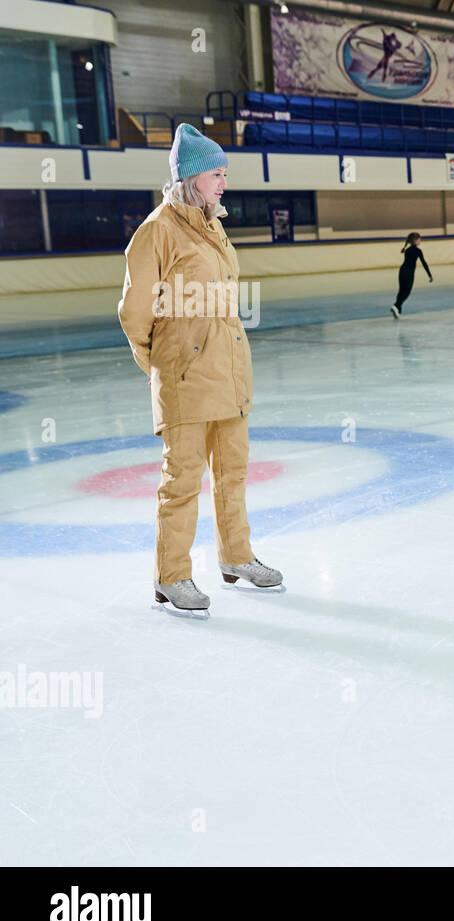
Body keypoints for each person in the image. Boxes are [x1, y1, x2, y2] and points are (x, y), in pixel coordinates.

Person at [118, 123, 282, 613]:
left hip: (228, 371)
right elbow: (134, 311)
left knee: (232, 472)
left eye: (224, 173)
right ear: (191, 178)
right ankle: (173, 576)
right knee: (183, 478)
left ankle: (237, 557)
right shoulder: (157, 232)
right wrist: (163, 363)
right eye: (216, 173)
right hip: (185, 378)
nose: (223, 182)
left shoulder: (213, 225)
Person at [391, 232, 433, 319]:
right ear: (416, 240)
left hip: (402, 271)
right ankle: (396, 306)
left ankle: (398, 309)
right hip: (409, 273)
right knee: (407, 292)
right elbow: (424, 263)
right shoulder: (418, 251)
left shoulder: (407, 250)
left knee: (401, 290)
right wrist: (429, 275)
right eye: (420, 239)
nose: (420, 240)